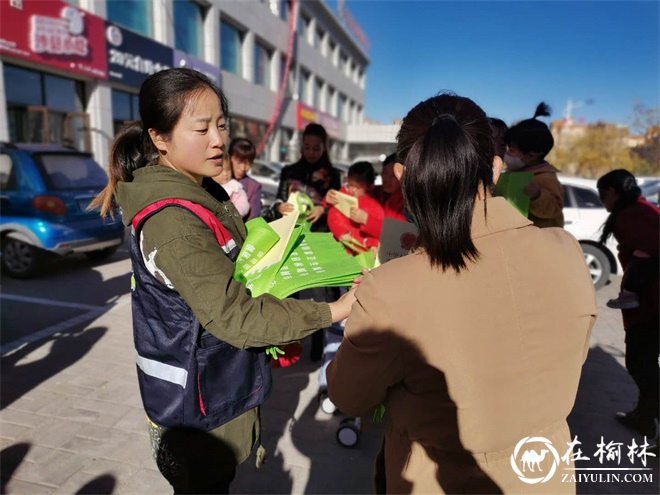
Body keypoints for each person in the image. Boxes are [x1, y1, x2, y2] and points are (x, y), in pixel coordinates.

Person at [90, 68, 355, 494]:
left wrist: (271, 220)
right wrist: (336, 310)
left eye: (222, 124)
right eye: (202, 128)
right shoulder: (172, 221)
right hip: (194, 409)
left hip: (210, 389)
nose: (219, 139)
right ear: (160, 138)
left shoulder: (201, 189)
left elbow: (228, 249)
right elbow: (235, 315)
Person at [326, 93, 597, 494]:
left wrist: (361, 318)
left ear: (402, 174)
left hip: (441, 480)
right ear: (497, 168)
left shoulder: (392, 287)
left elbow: (349, 395)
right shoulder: (567, 249)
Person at [597, 169, 659, 443]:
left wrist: (631, 289)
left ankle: (651, 418)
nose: (603, 201)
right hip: (648, 302)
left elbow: (648, 252)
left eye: (603, 195)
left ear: (611, 192)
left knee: (639, 363)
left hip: (651, 303)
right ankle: (644, 418)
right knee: (644, 362)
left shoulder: (632, 214)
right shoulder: (641, 209)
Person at [274, 123, 342, 361]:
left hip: (321, 238)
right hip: (292, 239)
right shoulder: (289, 170)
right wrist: (279, 207)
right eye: (307, 147)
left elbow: (339, 205)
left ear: (324, 147)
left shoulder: (333, 175)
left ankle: (319, 345)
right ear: (301, 146)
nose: (312, 152)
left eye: (316, 147)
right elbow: (276, 203)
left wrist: (324, 208)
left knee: (323, 294)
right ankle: (292, 343)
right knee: (292, 293)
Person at [504, 102, 564, 228]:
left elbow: (555, 209)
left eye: (512, 150)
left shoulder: (545, 178)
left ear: (531, 155)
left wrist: (538, 195)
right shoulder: (514, 173)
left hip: (540, 241)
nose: (507, 153)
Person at [324, 161, 384, 253]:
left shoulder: (373, 205)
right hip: (340, 244)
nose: (352, 190)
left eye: (357, 187)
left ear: (370, 186)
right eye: (350, 185)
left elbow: (378, 230)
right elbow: (332, 215)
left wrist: (373, 244)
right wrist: (328, 200)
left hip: (362, 249)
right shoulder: (343, 194)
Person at [228, 137, 262, 221]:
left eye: (248, 163)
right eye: (239, 162)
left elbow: (253, 218)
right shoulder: (216, 178)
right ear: (229, 158)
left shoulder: (253, 187)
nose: (243, 168)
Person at [372, 152, 406, 222]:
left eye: (393, 176)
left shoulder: (406, 205)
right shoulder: (373, 192)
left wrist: (367, 221)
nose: (387, 179)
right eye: (385, 172)